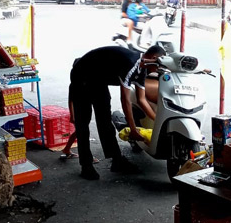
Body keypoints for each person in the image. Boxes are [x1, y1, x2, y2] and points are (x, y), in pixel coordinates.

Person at [68, 45, 166, 179]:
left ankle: (117, 160)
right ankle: (86, 165)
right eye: (160, 65)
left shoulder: (143, 69)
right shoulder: (131, 64)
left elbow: (141, 100)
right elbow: (125, 100)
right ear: (153, 58)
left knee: (105, 120)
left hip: (98, 79)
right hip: (82, 75)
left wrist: (159, 122)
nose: (159, 69)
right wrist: (132, 129)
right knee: (83, 124)